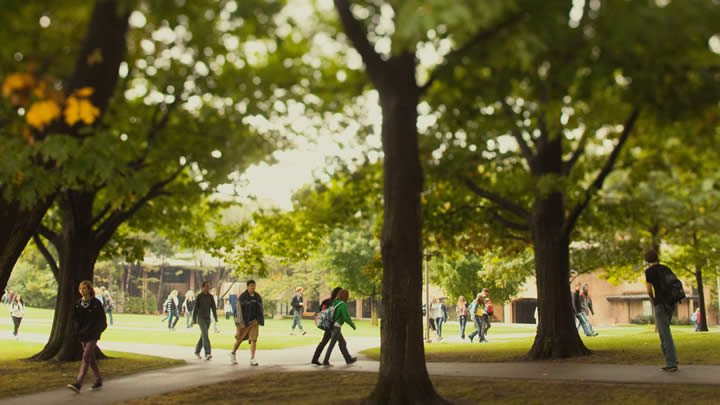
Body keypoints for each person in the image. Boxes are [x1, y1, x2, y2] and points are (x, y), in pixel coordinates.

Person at [67, 280, 107, 393]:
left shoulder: (96, 303)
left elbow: (102, 320)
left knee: (85, 356)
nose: (82, 290)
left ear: (89, 289)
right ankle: (98, 380)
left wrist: (98, 330)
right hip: (82, 334)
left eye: (84, 288)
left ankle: (78, 383)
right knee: (91, 358)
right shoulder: (77, 304)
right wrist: (76, 331)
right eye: (80, 288)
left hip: (93, 334)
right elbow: (74, 320)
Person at [644, 248, 679, 371]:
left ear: (646, 260)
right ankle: (672, 357)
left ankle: (671, 363)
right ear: (657, 258)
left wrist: (653, 299)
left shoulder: (649, 271)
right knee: (665, 332)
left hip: (660, 304)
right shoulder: (666, 268)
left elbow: (649, 290)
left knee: (665, 333)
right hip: (671, 303)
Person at [311, 287, 356, 365]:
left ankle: (315, 358)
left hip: (327, 324)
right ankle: (346, 359)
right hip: (333, 326)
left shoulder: (326, 301)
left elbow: (321, 310)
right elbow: (344, 316)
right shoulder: (336, 302)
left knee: (329, 342)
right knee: (336, 343)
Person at [229, 280, 264, 366]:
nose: (253, 287)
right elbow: (238, 311)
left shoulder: (257, 297)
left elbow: (260, 309)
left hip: (254, 322)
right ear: (247, 286)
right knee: (239, 339)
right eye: (251, 285)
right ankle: (233, 353)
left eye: (254, 285)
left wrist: (259, 320)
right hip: (243, 322)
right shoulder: (243, 297)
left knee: (253, 339)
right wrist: (240, 323)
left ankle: (252, 358)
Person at [192, 281, 217, 360]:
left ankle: (197, 351)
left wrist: (215, 317)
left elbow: (213, 307)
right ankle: (207, 353)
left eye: (208, 286)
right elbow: (195, 308)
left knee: (203, 335)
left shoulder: (210, 297)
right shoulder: (199, 296)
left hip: (207, 319)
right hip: (201, 318)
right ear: (202, 287)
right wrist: (194, 319)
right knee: (205, 335)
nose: (207, 287)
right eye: (206, 286)